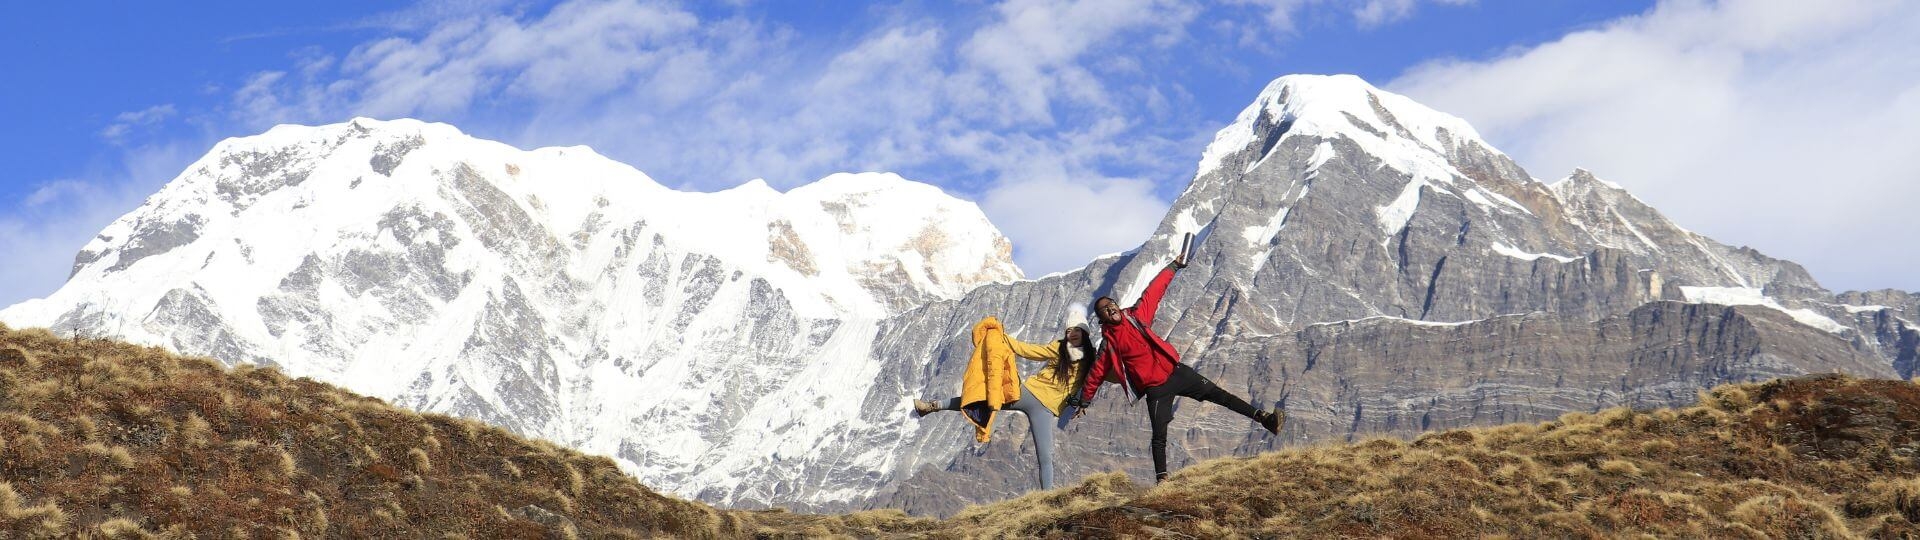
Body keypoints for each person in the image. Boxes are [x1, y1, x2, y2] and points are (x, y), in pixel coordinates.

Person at [1065, 251, 1285, 483]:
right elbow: (1096, 374)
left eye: (1111, 305)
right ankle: (1162, 480)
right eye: (1104, 311)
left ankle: (1266, 419)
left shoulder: (1136, 316)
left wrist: (1174, 266)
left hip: (1176, 372)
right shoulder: (1109, 343)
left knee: (1221, 396)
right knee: (1159, 435)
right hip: (1156, 390)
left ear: (1117, 305)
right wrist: (1085, 400)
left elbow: (1154, 292)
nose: (1110, 310)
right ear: (1102, 319)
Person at [912, 311, 1097, 490]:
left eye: (1076, 330)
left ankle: (1046, 499)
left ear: (1085, 332)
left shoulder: (1092, 358)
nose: (1072, 334)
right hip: (1029, 393)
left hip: (1046, 410)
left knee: (1045, 456)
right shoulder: (1058, 347)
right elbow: (1029, 350)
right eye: (1068, 331)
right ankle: (932, 406)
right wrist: (1002, 337)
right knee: (984, 398)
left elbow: (1094, 379)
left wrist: (1082, 401)